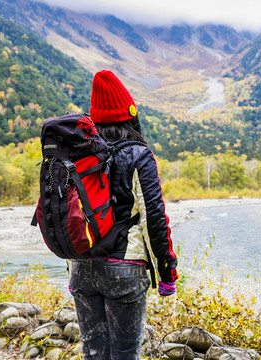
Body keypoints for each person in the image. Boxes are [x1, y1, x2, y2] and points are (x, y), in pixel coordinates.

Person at [69, 70, 179, 360]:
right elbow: (154, 217)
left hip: (82, 266)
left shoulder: (77, 153)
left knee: (93, 353)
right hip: (125, 266)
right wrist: (167, 272)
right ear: (128, 114)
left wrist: (72, 267)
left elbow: (69, 212)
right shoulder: (139, 155)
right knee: (125, 354)